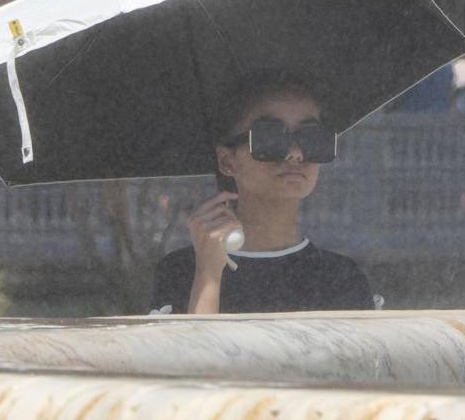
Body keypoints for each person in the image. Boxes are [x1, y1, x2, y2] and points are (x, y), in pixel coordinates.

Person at [149, 75, 377, 314]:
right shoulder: (183, 270)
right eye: (270, 137)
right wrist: (208, 275)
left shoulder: (340, 277)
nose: (296, 153)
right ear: (227, 161)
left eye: (312, 137)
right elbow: (196, 351)